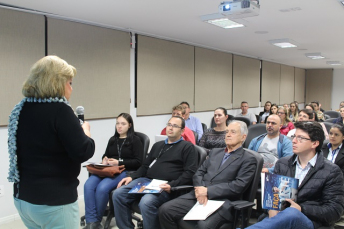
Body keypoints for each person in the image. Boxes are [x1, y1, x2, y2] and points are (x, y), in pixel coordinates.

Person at [7, 56, 95, 228]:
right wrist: (86, 131)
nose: (71, 89)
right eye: (70, 83)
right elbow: (83, 151)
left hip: (24, 199)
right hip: (54, 203)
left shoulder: (21, 108)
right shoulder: (61, 110)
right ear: (57, 83)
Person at [159, 120, 257, 229]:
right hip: (198, 195)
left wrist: (207, 191)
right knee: (165, 210)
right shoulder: (215, 152)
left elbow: (238, 186)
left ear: (243, 137)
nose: (228, 135)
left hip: (222, 201)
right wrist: (200, 189)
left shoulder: (248, 159)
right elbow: (199, 173)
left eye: (233, 132)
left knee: (203, 225)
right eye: (227, 131)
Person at [246, 122, 344, 229]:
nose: (294, 141)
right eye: (294, 136)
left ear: (314, 143)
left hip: (310, 221)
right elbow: (271, 196)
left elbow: (335, 211)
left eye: (300, 138)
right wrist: (272, 210)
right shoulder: (282, 163)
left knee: (292, 213)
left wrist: (301, 209)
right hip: (278, 216)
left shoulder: (331, 171)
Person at [112, 116, 198, 229]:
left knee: (146, 202)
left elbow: (189, 173)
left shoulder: (188, 147)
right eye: (169, 125)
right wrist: (132, 177)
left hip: (166, 185)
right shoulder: (158, 145)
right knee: (118, 194)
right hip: (147, 181)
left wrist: (172, 185)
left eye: (175, 126)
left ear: (182, 131)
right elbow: (145, 166)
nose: (170, 128)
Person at [83, 113, 143, 228]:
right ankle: (91, 222)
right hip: (107, 169)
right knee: (88, 185)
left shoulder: (135, 140)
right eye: (117, 123)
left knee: (102, 188)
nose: (119, 126)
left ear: (129, 125)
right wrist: (104, 160)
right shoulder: (113, 140)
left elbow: (139, 162)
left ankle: (97, 221)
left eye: (123, 124)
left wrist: (119, 162)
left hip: (125, 171)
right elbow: (106, 154)